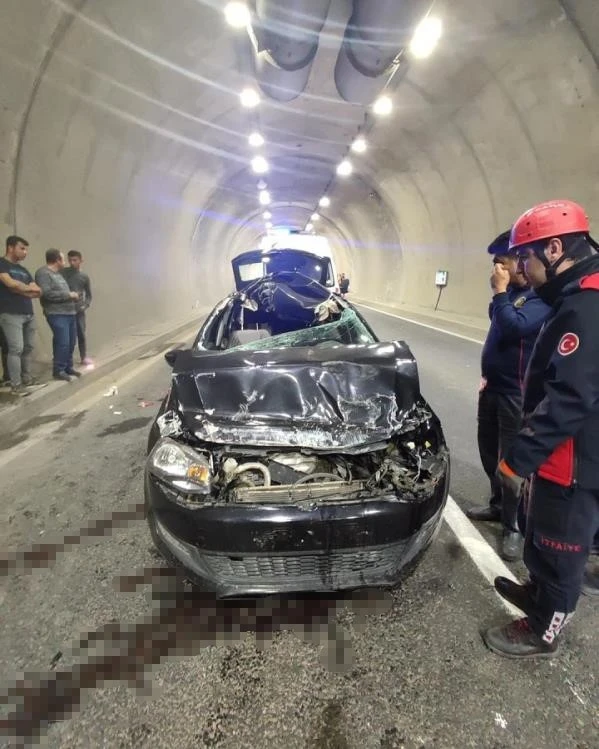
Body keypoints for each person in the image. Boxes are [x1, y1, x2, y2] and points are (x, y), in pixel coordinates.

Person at [483, 199, 599, 658]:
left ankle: (543, 629)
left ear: (554, 249)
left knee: (560, 544)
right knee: (545, 533)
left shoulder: (587, 306)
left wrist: (518, 460)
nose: (522, 270)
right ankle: (538, 594)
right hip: (563, 452)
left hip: (573, 456)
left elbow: (571, 397)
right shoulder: (574, 295)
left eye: (526, 258)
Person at [466, 231, 551, 560]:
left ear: (523, 262)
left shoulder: (540, 298)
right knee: (488, 452)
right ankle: (497, 505)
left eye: (504, 261)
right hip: (492, 387)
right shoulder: (513, 295)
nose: (497, 267)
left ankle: (514, 526)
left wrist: (500, 292)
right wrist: (503, 294)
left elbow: (515, 327)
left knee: (511, 462)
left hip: (516, 394)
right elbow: (499, 320)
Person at [0, 236, 44, 396]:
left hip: (28, 313)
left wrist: (20, 289)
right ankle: (16, 385)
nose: (25, 252)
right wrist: (24, 289)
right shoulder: (2, 264)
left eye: (26, 249)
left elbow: (38, 290)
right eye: (22, 248)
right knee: (16, 348)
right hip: (10, 313)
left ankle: (27, 380)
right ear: (10, 248)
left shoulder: (23, 270)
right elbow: (10, 284)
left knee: (28, 348)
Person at [35, 249, 81, 382]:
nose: (65, 262)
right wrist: (69, 295)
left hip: (69, 312)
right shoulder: (43, 273)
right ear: (57, 260)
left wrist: (73, 296)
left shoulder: (59, 274)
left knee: (71, 342)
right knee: (63, 342)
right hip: (56, 313)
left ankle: (68, 367)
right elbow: (47, 294)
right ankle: (59, 370)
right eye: (63, 259)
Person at [61, 250, 92, 365]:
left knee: (81, 334)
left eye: (75, 260)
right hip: (65, 309)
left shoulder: (84, 277)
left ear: (81, 260)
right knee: (68, 336)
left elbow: (89, 295)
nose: (72, 263)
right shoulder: (63, 273)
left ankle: (83, 357)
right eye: (70, 260)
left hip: (79, 310)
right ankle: (66, 359)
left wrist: (85, 305)